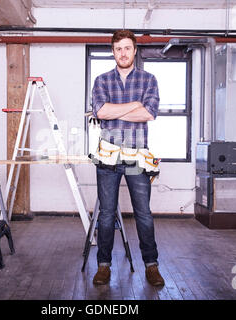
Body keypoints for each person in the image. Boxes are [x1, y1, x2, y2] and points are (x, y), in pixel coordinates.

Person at [90, 29, 164, 286]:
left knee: (143, 213)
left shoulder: (149, 79)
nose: (123, 53)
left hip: (137, 157)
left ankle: (151, 265)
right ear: (113, 52)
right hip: (108, 158)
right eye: (118, 48)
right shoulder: (101, 80)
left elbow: (149, 114)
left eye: (127, 48)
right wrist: (135, 104)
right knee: (106, 215)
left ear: (134, 51)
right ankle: (103, 266)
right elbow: (100, 111)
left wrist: (114, 112)